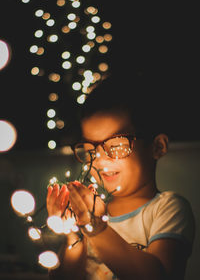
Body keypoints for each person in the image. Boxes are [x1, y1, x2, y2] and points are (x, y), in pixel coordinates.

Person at [46, 75, 195, 280]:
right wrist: (72, 232)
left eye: (116, 146)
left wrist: (95, 227)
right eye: (90, 149)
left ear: (158, 147)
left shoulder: (168, 209)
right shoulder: (89, 214)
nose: (99, 160)